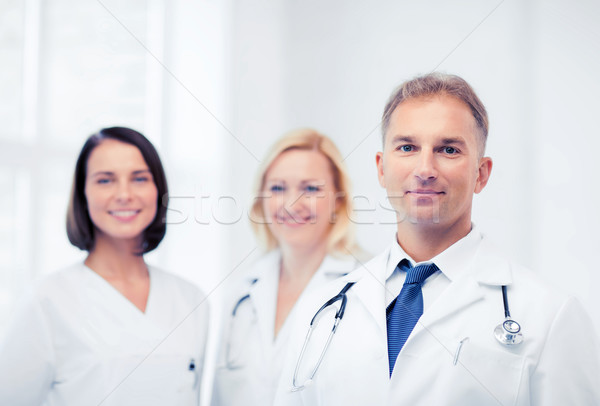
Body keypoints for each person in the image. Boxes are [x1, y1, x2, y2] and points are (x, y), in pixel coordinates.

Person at [273, 73, 600, 406]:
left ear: (481, 174)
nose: (425, 168)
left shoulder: (550, 316)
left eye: (448, 149)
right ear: (382, 167)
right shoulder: (320, 309)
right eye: (407, 147)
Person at [0, 127, 209, 406]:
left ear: (158, 189)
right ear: (83, 194)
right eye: (105, 180)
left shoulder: (190, 299)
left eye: (139, 178)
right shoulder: (45, 301)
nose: (124, 194)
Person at [211, 128, 367, 406]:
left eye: (311, 188)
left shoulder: (366, 287)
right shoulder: (242, 292)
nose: (292, 203)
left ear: (338, 201)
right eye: (278, 188)